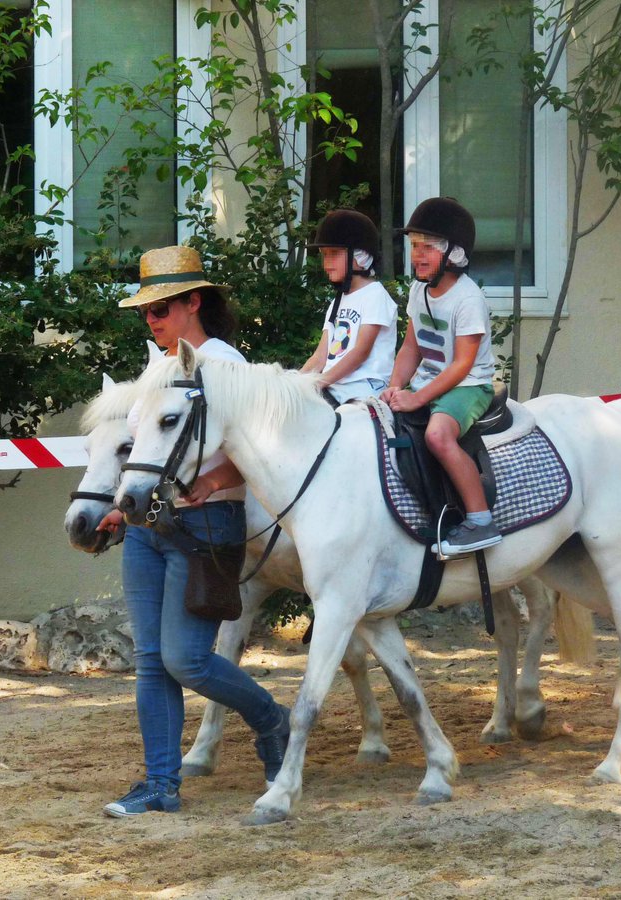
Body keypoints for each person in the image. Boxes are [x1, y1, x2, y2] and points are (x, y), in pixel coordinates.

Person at [95, 246, 289, 817]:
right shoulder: (160, 364)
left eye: (161, 309)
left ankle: (270, 718)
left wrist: (217, 479)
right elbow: (147, 451)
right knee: (153, 660)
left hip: (207, 522)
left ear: (192, 302)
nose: (151, 320)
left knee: (187, 660)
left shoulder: (224, 362)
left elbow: (261, 445)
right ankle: (160, 784)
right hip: (150, 523)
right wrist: (119, 505)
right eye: (146, 312)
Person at [380, 198, 501, 556]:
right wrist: (394, 386)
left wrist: (417, 398)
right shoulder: (419, 291)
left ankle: (480, 520)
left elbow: (462, 365)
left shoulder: (468, 299)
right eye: (414, 246)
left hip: (467, 386)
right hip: (430, 380)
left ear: (456, 253)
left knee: (437, 435)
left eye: (428, 247)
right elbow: (410, 348)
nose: (417, 255)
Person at [300, 209, 398, 405]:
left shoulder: (375, 295)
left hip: (366, 387)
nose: (326, 262)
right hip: (335, 385)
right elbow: (320, 356)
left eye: (334, 254)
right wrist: (293, 382)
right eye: (324, 255)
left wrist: (319, 382)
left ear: (361, 257)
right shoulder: (337, 301)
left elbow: (360, 352)